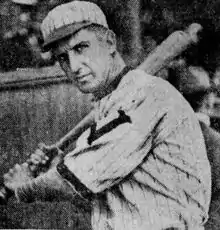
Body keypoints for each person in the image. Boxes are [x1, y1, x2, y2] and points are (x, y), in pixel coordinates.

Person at [3, 1, 211, 230]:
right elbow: (98, 197)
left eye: (81, 48)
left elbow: (66, 184)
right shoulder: (109, 106)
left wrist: (24, 187)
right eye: (63, 57)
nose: (74, 66)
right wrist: (58, 164)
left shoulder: (144, 96)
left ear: (110, 42)